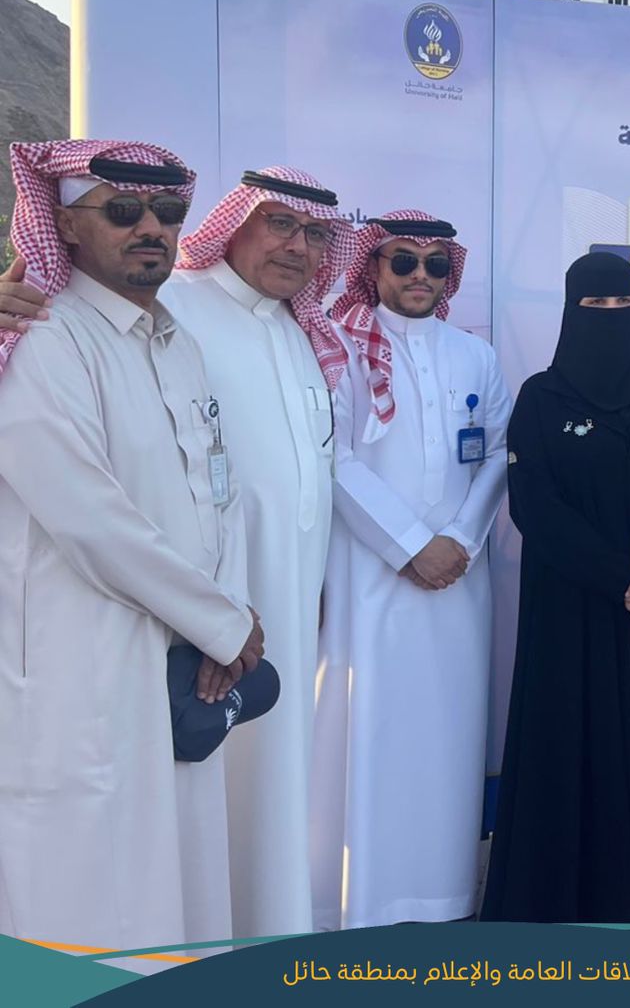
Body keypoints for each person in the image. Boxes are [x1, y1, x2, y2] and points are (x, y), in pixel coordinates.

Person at [0, 140, 265, 950]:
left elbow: (218, 493)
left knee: (180, 869)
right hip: (88, 660)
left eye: (167, 211)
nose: (150, 227)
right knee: (98, 882)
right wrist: (222, 623)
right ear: (65, 226)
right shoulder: (44, 336)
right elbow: (90, 518)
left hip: (187, 657)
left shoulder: (176, 340)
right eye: (122, 210)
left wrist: (229, 614)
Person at [482, 251, 630, 926]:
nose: (611, 317)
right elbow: (535, 505)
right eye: (595, 306)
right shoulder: (542, 399)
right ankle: (567, 892)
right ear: (571, 312)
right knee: (570, 734)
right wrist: (621, 578)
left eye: (623, 305)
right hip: (572, 604)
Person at [167, 167, 356, 937]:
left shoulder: (300, 328)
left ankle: (272, 931)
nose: (299, 247)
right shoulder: (172, 307)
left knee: (279, 777)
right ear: (233, 224)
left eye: (315, 234)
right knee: (206, 786)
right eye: (280, 224)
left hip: (287, 601)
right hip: (202, 605)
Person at [309, 211, 511, 930]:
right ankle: (360, 901)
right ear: (373, 266)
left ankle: (443, 894)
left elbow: (497, 453)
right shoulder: (337, 345)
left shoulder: (474, 354)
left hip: (459, 580)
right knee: (369, 730)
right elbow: (332, 455)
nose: (420, 276)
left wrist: (458, 538)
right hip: (369, 579)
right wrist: (408, 544)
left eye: (434, 264)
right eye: (403, 261)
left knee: (448, 737)